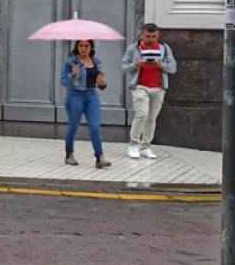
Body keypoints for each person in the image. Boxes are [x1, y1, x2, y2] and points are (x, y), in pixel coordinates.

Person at [121, 23, 178, 160]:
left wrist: (161, 65)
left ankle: (146, 146)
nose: (151, 39)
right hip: (140, 86)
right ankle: (133, 144)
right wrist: (136, 64)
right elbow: (123, 67)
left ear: (158, 36)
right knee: (142, 114)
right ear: (142, 35)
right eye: (148, 36)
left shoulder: (164, 48)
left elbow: (173, 68)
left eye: (154, 36)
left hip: (158, 87)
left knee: (152, 118)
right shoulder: (133, 48)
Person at [61, 39, 112, 169]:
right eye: (81, 45)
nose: (83, 48)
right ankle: (69, 155)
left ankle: (100, 157)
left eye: (86, 46)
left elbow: (101, 83)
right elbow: (64, 82)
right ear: (77, 47)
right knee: (73, 126)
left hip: (91, 96)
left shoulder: (96, 62)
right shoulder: (71, 62)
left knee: (95, 126)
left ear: (91, 47)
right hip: (75, 96)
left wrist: (103, 83)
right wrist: (73, 75)